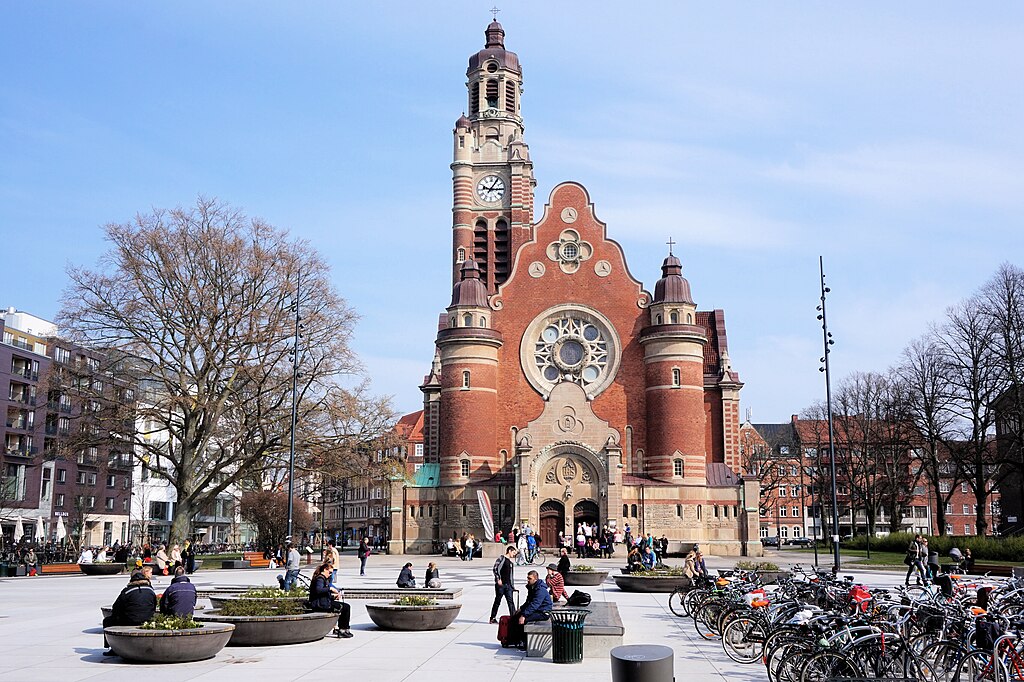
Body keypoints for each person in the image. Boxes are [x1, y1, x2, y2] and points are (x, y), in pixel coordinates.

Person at [102, 566, 156, 655]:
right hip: (148, 619)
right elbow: (153, 605)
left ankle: (112, 648)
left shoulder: (127, 591)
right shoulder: (150, 590)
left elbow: (116, 607)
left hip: (129, 620)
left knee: (107, 621)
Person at [506, 570, 553, 649]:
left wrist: (524, 615)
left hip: (543, 612)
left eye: (529, 578)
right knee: (515, 617)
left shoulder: (540, 590)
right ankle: (513, 640)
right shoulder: (532, 588)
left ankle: (524, 642)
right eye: (527, 578)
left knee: (523, 620)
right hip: (537, 610)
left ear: (535, 579)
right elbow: (528, 602)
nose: (528, 580)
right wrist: (521, 609)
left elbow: (535, 604)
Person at [308, 559, 353, 638]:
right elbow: (318, 590)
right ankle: (343, 629)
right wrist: (330, 589)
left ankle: (344, 628)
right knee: (345, 607)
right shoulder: (320, 579)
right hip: (320, 604)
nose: (330, 575)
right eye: (330, 572)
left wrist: (333, 596)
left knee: (344, 606)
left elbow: (322, 593)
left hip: (323, 602)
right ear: (325, 570)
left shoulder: (322, 579)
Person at [489, 545, 517, 624]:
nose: (514, 555)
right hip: (501, 585)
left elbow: (511, 575)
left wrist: (512, 585)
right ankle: (492, 617)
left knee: (510, 602)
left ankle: (514, 618)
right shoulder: (501, 558)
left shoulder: (511, 563)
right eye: (513, 552)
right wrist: (498, 579)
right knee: (497, 601)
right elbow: (495, 568)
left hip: (508, 585)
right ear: (509, 551)